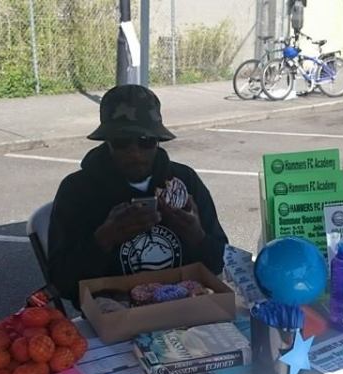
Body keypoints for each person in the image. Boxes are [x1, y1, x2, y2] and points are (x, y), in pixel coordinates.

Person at [48, 85, 229, 309]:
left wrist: (197, 236)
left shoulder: (185, 181)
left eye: (145, 141)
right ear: (107, 141)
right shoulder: (77, 191)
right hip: (112, 320)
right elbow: (61, 283)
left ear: (158, 140)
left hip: (186, 310)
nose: (134, 153)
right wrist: (103, 239)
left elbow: (220, 262)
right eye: (122, 142)